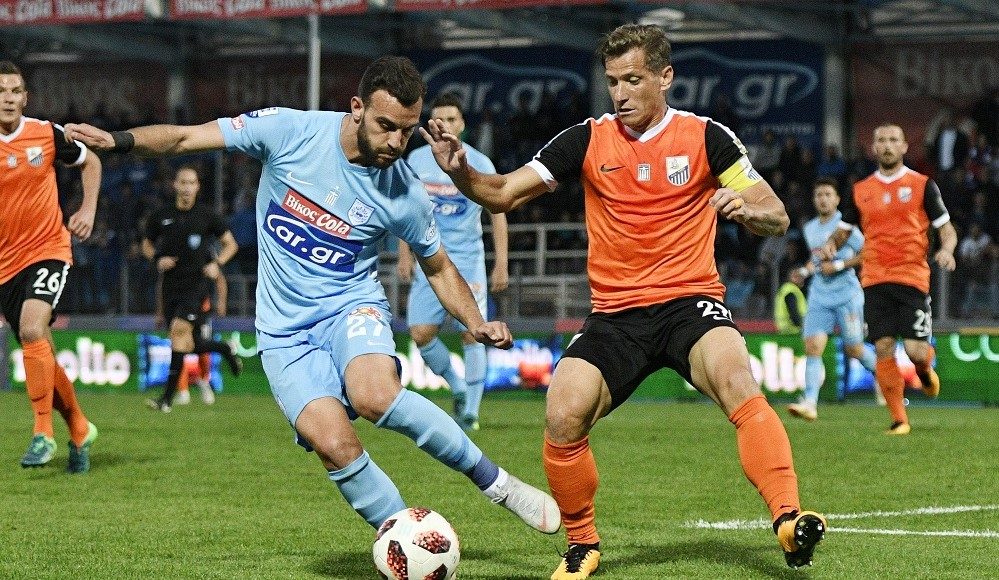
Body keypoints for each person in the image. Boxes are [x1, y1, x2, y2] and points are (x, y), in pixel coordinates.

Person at [65, 56, 559, 535]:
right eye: (386, 126)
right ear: (357, 108)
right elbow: (186, 137)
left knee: (374, 394)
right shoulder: (289, 131)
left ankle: (498, 485)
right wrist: (119, 141)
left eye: (407, 131)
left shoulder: (405, 193)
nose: (396, 142)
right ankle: (403, 541)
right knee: (334, 444)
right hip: (283, 331)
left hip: (351, 306)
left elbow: (439, 265)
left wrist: (475, 322)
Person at [421, 24, 826, 578]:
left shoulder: (706, 137)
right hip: (615, 314)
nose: (621, 93)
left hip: (690, 302)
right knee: (562, 412)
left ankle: (787, 518)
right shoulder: (587, 139)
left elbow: (775, 213)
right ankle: (582, 544)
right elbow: (504, 193)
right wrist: (462, 172)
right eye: (613, 82)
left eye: (633, 80)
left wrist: (747, 210)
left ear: (665, 77)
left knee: (736, 379)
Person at [822, 123, 957, 435]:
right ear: (873, 147)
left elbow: (946, 228)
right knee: (883, 346)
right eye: (881, 140)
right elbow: (844, 230)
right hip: (874, 278)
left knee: (915, 351)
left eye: (893, 140)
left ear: (904, 147)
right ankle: (899, 419)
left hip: (912, 277)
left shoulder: (923, 185)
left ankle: (924, 369)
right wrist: (832, 244)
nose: (887, 145)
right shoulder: (860, 189)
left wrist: (947, 250)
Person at [0, 60, 99, 473]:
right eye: (1, 91)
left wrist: (87, 209)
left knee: (31, 329)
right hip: (5, 266)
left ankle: (43, 433)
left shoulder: (46, 133)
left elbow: (91, 162)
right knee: (42, 353)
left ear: (25, 97)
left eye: (15, 91)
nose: (8, 98)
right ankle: (79, 427)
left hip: (48, 249)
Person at [398, 92, 509, 432]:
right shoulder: (416, 160)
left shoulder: (480, 162)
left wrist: (501, 264)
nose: (444, 125)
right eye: (439, 119)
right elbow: (405, 208)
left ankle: (471, 412)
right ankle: (458, 387)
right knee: (421, 334)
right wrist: (404, 253)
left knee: (474, 335)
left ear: (461, 125)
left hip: (468, 260)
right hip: (429, 259)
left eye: (451, 119)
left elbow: (498, 213)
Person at [141, 166, 242, 412]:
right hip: (170, 287)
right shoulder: (161, 216)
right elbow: (146, 244)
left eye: (191, 183)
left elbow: (231, 244)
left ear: (197, 187)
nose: (187, 188)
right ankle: (223, 348)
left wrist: (217, 264)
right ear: (175, 185)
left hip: (196, 287)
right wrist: (157, 259)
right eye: (183, 182)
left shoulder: (207, 216)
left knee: (178, 331)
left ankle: (166, 399)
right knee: (187, 342)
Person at [787, 177, 880, 421]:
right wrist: (804, 272)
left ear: (837, 199)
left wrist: (838, 265)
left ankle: (885, 376)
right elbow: (816, 259)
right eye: (819, 195)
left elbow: (868, 253)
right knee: (812, 347)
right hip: (819, 295)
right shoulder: (810, 228)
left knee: (854, 348)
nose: (823, 199)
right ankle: (809, 402)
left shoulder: (846, 226)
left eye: (828, 194)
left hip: (847, 295)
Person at [774, 268, 807, 335]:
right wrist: (803, 326)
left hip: (785, 330)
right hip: (793, 331)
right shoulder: (791, 291)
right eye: (799, 277)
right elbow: (793, 312)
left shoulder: (785, 289)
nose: (802, 279)